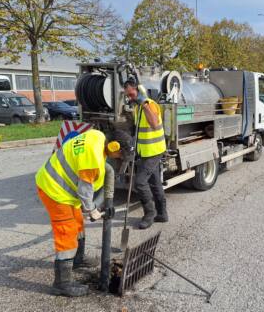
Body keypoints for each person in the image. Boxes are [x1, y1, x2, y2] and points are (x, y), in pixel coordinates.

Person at [35, 129, 128, 297]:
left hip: (62, 188)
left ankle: (77, 260)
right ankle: (61, 284)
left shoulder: (98, 136)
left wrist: (93, 206)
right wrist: (92, 210)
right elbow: (85, 191)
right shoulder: (92, 159)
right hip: (54, 190)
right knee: (67, 233)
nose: (120, 158)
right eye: (120, 155)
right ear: (114, 146)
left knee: (78, 223)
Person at [123, 76, 168, 229]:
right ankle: (162, 214)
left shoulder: (150, 105)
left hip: (154, 151)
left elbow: (154, 124)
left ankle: (150, 214)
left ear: (139, 91)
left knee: (140, 182)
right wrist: (132, 142)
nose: (130, 98)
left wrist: (143, 102)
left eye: (131, 94)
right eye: (127, 95)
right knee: (155, 183)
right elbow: (140, 130)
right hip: (145, 151)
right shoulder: (137, 108)